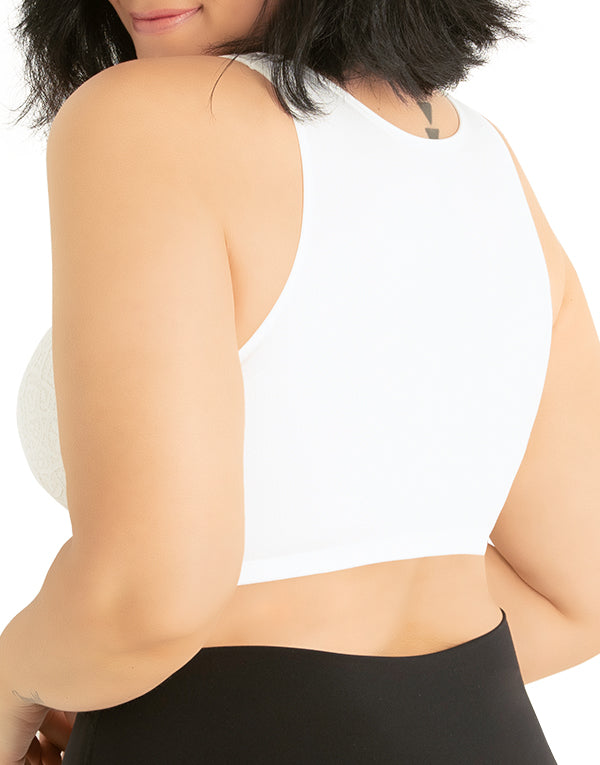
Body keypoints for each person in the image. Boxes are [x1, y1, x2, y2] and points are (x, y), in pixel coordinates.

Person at [4, 0, 599, 762]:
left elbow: (144, 601)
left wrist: (18, 683)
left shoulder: (142, 117)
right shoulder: (483, 158)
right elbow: (578, 599)